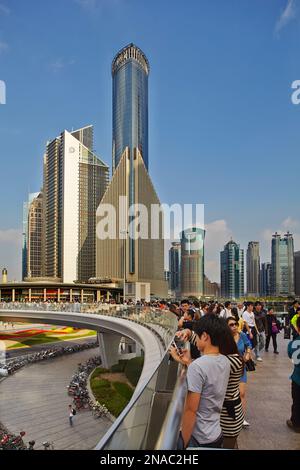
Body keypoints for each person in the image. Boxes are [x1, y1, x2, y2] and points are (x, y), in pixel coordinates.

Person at [173, 317, 244, 449]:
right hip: (216, 431)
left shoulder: (199, 366)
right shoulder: (225, 360)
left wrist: (183, 443)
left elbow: (191, 410)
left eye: (198, 336)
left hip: (200, 435)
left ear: (205, 336)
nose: (196, 339)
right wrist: (188, 332)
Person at [227, 317, 252, 428]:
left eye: (235, 324)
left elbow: (248, 344)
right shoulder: (224, 338)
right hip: (228, 369)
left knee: (241, 393)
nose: (234, 326)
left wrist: (248, 353)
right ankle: (227, 416)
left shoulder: (241, 335)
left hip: (241, 368)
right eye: (231, 325)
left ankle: (241, 418)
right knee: (228, 394)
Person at [287, 316, 300, 433]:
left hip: (297, 377)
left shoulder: (294, 343)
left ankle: (296, 423)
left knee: (297, 401)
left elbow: (292, 357)